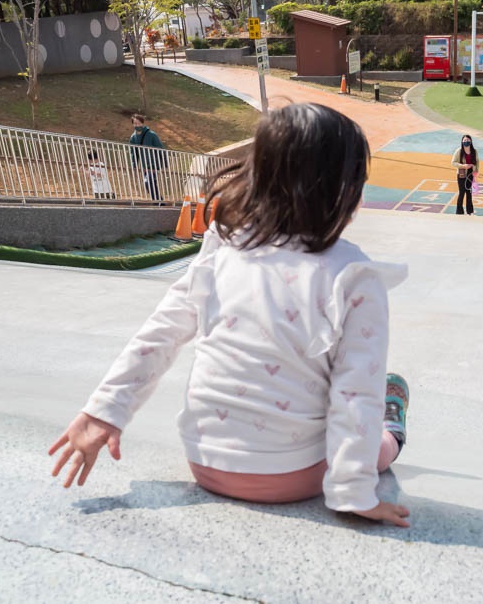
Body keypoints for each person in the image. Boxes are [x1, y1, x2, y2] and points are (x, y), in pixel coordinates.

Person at [50, 103, 413, 527]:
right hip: (293, 475)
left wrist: (103, 412)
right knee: (378, 440)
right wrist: (355, 492)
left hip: (205, 463)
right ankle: (394, 428)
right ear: (341, 192)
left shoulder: (223, 249)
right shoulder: (355, 277)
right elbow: (355, 395)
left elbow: (161, 333)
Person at [129, 113, 167, 202]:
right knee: (150, 183)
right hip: (145, 165)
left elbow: (160, 148)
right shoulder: (133, 138)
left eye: (138, 123)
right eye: (135, 123)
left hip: (154, 163)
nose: (137, 125)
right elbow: (134, 152)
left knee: (149, 181)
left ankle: (158, 200)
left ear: (142, 123)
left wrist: (164, 162)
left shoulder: (151, 134)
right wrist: (134, 164)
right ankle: (157, 200)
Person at [451, 134, 480, 215]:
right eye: (464, 141)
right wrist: (463, 166)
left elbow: (477, 161)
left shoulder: (474, 151)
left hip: (470, 173)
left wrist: (476, 170)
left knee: (469, 192)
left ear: (471, 142)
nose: (466, 142)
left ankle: (470, 211)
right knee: (461, 192)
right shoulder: (459, 151)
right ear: (462, 142)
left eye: (468, 141)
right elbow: (453, 162)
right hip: (462, 173)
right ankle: (459, 211)